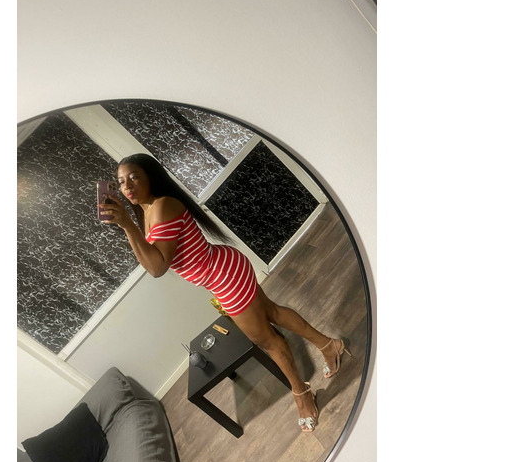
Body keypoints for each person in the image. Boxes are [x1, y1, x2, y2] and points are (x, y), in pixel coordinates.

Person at [98, 153, 351, 433]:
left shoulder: (161, 206)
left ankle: (302, 395)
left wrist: (126, 225)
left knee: (267, 341)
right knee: (273, 312)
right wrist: (128, 225)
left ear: (151, 177)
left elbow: (157, 267)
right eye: (121, 181)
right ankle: (329, 345)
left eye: (134, 177)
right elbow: (153, 260)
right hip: (224, 272)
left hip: (225, 276)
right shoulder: (147, 211)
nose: (127, 186)